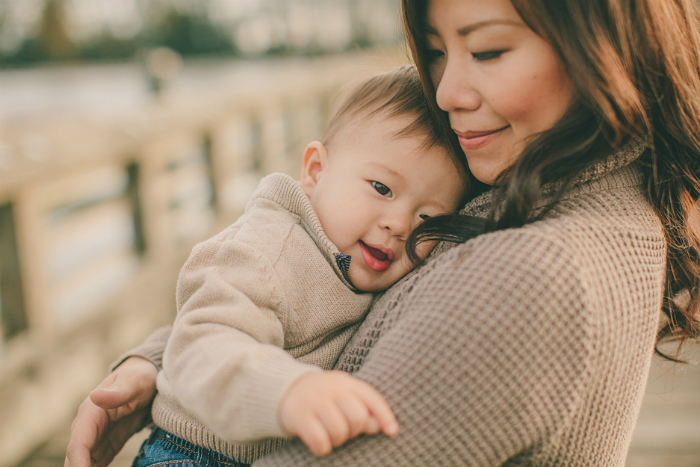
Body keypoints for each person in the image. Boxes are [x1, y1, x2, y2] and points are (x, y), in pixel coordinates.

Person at [66, 0, 700, 466]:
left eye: (487, 50)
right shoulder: (527, 179)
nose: (447, 92)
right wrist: (167, 361)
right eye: (434, 52)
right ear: (314, 168)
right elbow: (286, 291)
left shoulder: (539, 274)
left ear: (603, 38)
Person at [127, 66, 466, 467]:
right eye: (381, 188)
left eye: (427, 219)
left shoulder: (363, 262)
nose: (400, 224)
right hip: (193, 454)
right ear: (315, 172)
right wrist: (288, 391)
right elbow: (200, 347)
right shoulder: (264, 250)